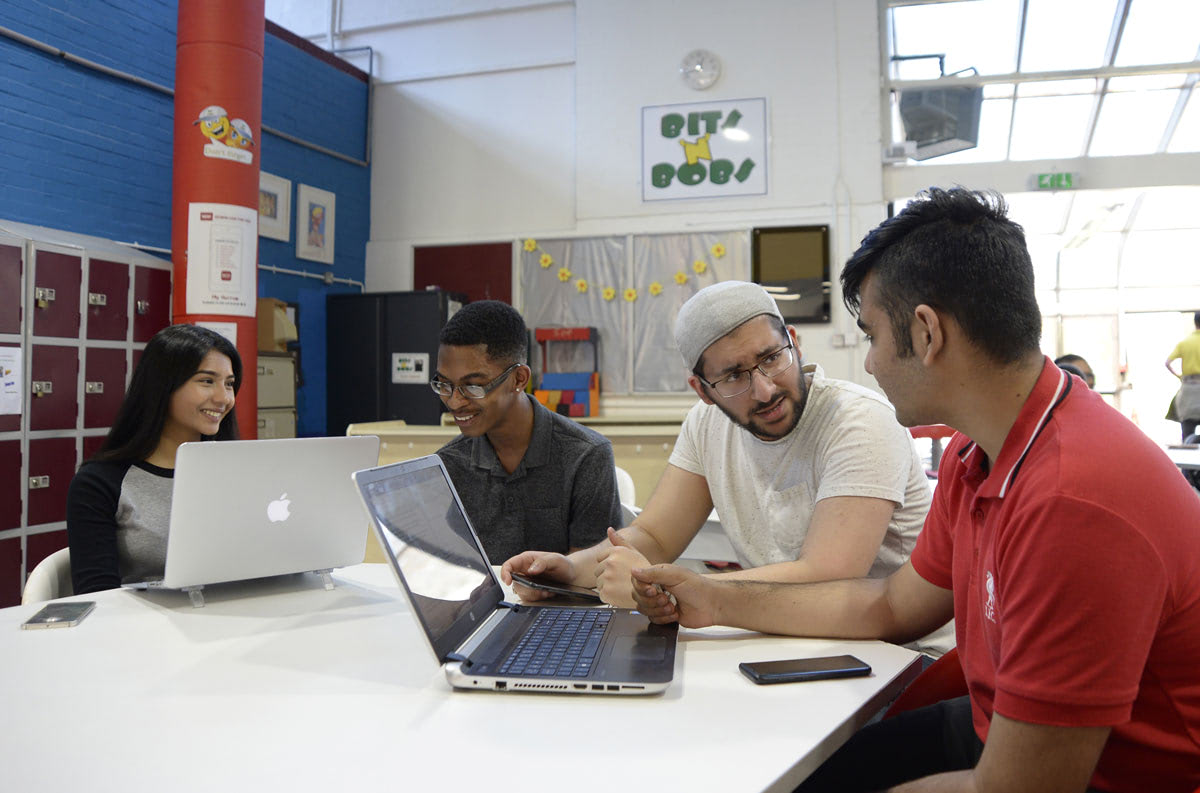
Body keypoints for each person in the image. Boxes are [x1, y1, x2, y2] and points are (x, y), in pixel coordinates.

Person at [627, 189, 1200, 793]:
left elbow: (1015, 788)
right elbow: (892, 605)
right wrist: (713, 599)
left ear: (926, 332)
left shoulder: (1072, 503)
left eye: (871, 335)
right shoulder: (977, 453)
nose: (869, 364)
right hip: (997, 727)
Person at [503, 280, 952, 657]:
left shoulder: (859, 420)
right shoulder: (706, 425)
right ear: (703, 390)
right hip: (791, 642)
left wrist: (685, 589)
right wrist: (571, 571)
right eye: (734, 376)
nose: (764, 389)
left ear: (794, 342)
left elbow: (828, 573)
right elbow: (655, 537)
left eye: (772, 357)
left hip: (902, 655)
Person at [433, 300, 622, 563]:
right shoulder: (448, 463)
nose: (454, 402)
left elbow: (594, 569)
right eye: (444, 385)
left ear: (519, 379)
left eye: (473, 386)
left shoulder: (586, 456)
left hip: (563, 591)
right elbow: (451, 566)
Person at [67, 324, 241, 594]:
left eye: (229, 384)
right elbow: (97, 595)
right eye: (207, 381)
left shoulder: (239, 471)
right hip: (144, 620)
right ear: (163, 386)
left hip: (239, 610)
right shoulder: (99, 483)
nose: (224, 398)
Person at [1166, 311, 1200, 441]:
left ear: (1195, 323)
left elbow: (1168, 363)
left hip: (1188, 391)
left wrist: (1179, 376)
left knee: (1187, 433)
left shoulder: (1185, 343)